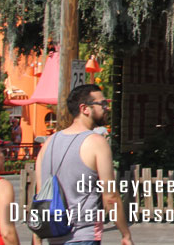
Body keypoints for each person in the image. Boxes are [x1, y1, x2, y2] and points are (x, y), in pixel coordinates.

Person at [32, 83, 133, 245]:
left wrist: (37, 239)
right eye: (102, 104)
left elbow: (40, 196)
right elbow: (111, 197)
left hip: (53, 236)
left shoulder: (48, 144)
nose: (107, 108)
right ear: (85, 109)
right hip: (83, 235)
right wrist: (125, 234)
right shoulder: (96, 143)